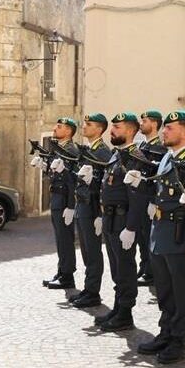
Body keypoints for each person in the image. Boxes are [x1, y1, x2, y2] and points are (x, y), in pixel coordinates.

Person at [125, 110, 185, 364]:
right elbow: (159, 190)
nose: (163, 131)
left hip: (179, 235)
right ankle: (165, 331)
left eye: (170, 128)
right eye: (164, 127)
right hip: (160, 232)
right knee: (164, 290)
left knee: (181, 292)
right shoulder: (167, 158)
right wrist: (141, 184)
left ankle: (178, 340)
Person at [96, 112, 151, 331]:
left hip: (122, 221)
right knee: (116, 268)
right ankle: (118, 307)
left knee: (126, 268)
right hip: (110, 219)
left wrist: (130, 228)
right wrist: (101, 215)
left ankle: (126, 313)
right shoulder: (116, 155)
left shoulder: (135, 158)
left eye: (117, 127)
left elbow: (138, 197)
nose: (112, 131)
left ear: (129, 130)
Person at [69, 113, 112, 309]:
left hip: (93, 207)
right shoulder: (87, 150)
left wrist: (100, 215)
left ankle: (93, 291)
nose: (84, 127)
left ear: (100, 129)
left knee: (93, 251)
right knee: (86, 250)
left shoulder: (102, 152)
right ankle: (88, 288)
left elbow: (105, 184)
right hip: (82, 204)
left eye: (89, 124)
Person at [35, 117, 79, 290]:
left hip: (64, 200)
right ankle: (61, 271)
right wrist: (44, 167)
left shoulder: (72, 150)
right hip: (56, 198)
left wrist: (70, 206)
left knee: (66, 238)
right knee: (60, 238)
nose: (55, 129)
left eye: (59, 127)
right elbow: (56, 174)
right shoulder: (59, 149)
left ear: (68, 131)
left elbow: (73, 180)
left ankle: (68, 276)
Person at [135, 109, 165, 286]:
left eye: (144, 121)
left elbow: (159, 177)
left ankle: (150, 271)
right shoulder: (141, 147)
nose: (141, 124)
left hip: (149, 198)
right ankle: (144, 266)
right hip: (138, 198)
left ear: (154, 124)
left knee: (148, 236)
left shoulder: (160, 149)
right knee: (140, 236)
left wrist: (154, 201)